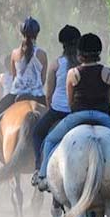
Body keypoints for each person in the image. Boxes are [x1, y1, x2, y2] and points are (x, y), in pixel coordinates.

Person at [35, 32, 110, 193]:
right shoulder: (108, 73)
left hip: (78, 116)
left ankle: (43, 175)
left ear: (80, 55)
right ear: (99, 54)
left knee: (50, 141)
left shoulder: (73, 73)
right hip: (102, 116)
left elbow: (71, 100)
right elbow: (109, 100)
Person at [31, 25, 81, 184]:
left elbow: (49, 93)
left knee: (37, 133)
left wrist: (49, 107)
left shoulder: (56, 64)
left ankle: (39, 169)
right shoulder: (82, 64)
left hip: (57, 111)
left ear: (62, 45)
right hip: (76, 113)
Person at [0, 16, 48, 133]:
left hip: (16, 94)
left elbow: (14, 76)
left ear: (22, 33)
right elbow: (43, 80)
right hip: (37, 95)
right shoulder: (42, 54)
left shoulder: (14, 53)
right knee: (53, 119)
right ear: (37, 34)